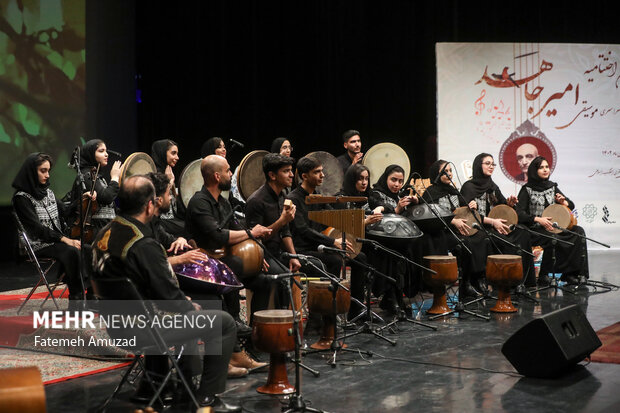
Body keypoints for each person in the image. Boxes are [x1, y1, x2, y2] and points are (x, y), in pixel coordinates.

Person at [91, 175, 240, 412]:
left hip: (117, 325)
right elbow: (170, 299)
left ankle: (174, 386)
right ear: (151, 204)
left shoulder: (105, 232)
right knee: (222, 322)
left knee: (189, 316)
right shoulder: (143, 243)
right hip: (144, 329)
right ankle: (206, 399)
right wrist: (188, 306)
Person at [185, 155, 271, 374]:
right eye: (228, 171)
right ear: (216, 176)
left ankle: (252, 339)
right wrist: (252, 232)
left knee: (263, 281)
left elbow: (236, 229)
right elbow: (217, 236)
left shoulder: (223, 203)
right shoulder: (199, 202)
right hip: (203, 265)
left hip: (223, 260)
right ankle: (233, 336)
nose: (231, 174)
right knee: (233, 266)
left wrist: (257, 257)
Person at [12, 153, 83, 303]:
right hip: (37, 244)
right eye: (43, 171)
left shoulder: (47, 192)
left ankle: (88, 294)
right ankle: (76, 300)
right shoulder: (21, 198)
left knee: (87, 249)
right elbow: (36, 229)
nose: (47, 175)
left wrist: (82, 199)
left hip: (54, 241)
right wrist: (65, 240)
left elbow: (65, 211)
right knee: (71, 250)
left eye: (48, 170)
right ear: (32, 171)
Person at [461, 153, 536, 288]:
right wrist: (492, 222)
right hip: (479, 228)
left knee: (522, 232)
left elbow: (502, 205)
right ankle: (505, 283)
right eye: (488, 163)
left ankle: (524, 281)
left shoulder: (492, 186)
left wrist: (510, 203)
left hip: (495, 226)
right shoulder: (469, 187)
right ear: (479, 165)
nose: (491, 166)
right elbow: (466, 215)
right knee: (506, 242)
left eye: (493, 164)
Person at [516, 156, 589, 285]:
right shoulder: (526, 189)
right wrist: (538, 219)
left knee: (578, 232)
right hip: (535, 229)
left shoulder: (552, 187)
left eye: (547, 167)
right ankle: (545, 274)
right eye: (541, 167)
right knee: (551, 238)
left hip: (554, 226)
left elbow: (570, 205)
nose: (545, 170)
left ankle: (571, 274)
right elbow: (519, 213)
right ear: (534, 170)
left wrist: (563, 202)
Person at [368, 164, 422, 314]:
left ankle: (399, 295)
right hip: (380, 239)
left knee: (413, 248)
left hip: (399, 240)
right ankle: (390, 296)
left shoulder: (400, 195)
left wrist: (415, 202)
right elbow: (380, 209)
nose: (397, 184)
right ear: (386, 178)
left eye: (400, 181)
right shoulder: (376, 193)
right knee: (393, 253)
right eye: (393, 180)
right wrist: (398, 209)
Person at [336, 163, 383, 319]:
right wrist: (365, 222)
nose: (364, 182)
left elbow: (385, 205)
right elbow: (341, 226)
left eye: (366, 179)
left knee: (380, 248)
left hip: (364, 241)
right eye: (360, 179)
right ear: (352, 180)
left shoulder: (369, 195)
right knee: (362, 257)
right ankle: (354, 310)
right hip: (345, 242)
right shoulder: (341, 198)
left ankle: (382, 298)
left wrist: (379, 208)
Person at [72, 139, 122, 235]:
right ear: (90, 154)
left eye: (106, 151)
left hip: (105, 229)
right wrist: (115, 177)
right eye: (101, 151)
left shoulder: (97, 176)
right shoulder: (86, 175)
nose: (106, 154)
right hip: (95, 232)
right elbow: (106, 197)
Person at [151, 139, 187, 238]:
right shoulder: (153, 175)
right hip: (161, 222)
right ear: (162, 153)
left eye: (177, 154)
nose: (177, 157)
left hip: (171, 220)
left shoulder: (169, 173)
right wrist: (169, 182)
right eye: (173, 153)